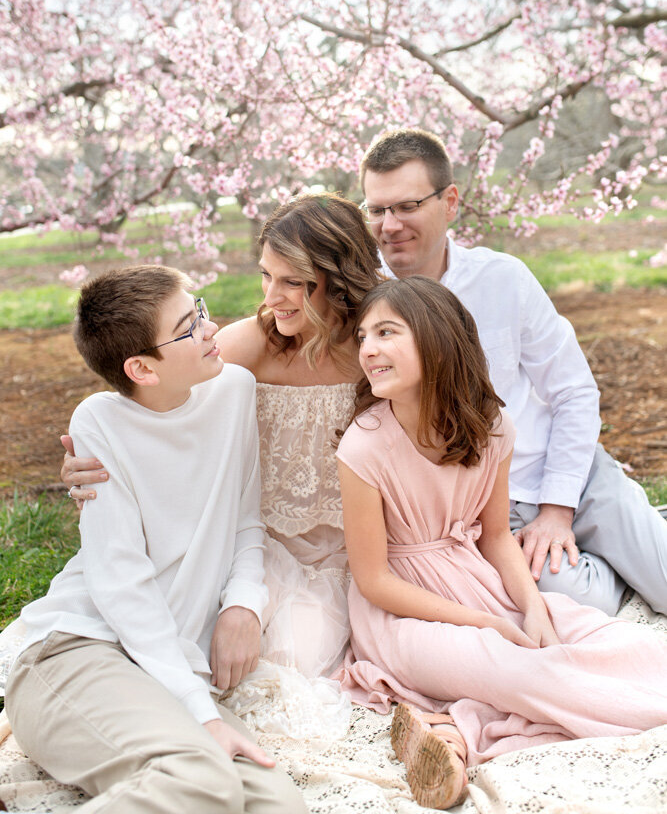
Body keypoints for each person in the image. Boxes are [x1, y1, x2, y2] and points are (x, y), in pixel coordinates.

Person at [334, 276, 667, 810]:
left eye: (386, 332)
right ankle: (455, 726)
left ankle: (452, 729)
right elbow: (374, 582)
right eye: (364, 336)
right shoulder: (364, 447)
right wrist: (489, 623)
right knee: (518, 668)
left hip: (471, 578)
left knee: (591, 631)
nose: (368, 348)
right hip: (400, 615)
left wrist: (531, 608)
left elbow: (495, 538)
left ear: (435, 338)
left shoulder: (492, 428)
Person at [4, 265, 306, 814]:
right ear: (141, 367)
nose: (212, 329)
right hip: (79, 652)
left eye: (203, 311)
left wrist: (242, 603)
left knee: (276, 802)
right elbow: (122, 587)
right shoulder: (99, 422)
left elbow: (244, 518)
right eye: (190, 326)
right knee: (200, 783)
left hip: (162, 667)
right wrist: (204, 712)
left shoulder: (232, 390)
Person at [58, 194, 382, 686]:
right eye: (266, 275)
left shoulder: (378, 347)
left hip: (357, 551)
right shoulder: (254, 344)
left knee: (304, 669)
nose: (272, 297)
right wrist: (97, 461)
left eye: (293, 282)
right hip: (259, 544)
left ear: (340, 282)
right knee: (231, 663)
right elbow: (154, 389)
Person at [360, 127, 667, 615]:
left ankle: (628, 529)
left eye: (407, 206)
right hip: (498, 505)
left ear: (450, 202)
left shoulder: (503, 278)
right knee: (580, 604)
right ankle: (617, 558)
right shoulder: (365, 302)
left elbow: (574, 392)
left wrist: (559, 509)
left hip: (572, 471)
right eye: (376, 210)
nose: (389, 225)